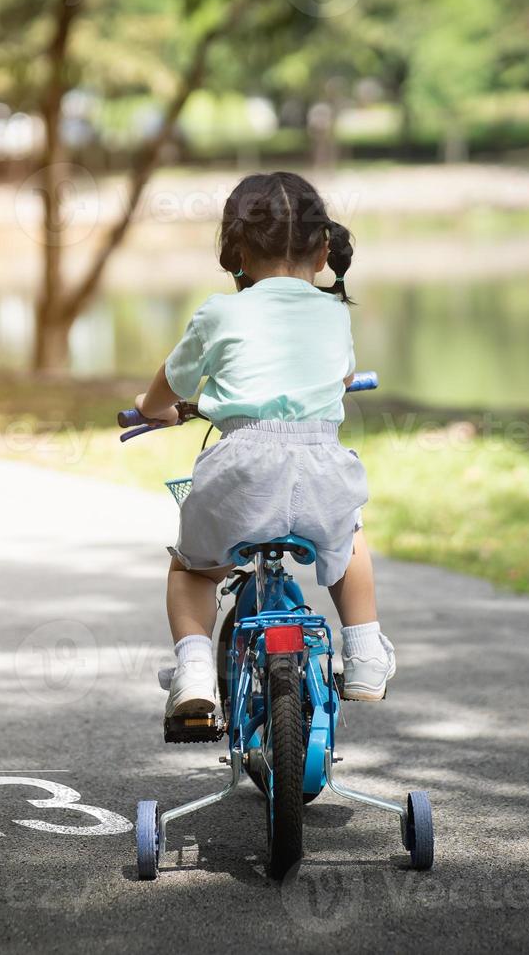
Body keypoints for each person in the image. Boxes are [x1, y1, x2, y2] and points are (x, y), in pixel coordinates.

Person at [132, 172, 395, 718]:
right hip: (322, 468)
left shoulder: (218, 312)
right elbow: (340, 375)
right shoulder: (333, 312)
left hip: (240, 470)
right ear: (324, 252)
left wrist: (153, 406)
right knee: (348, 540)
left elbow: (172, 385)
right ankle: (366, 652)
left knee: (192, 570)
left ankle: (196, 672)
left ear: (235, 253)